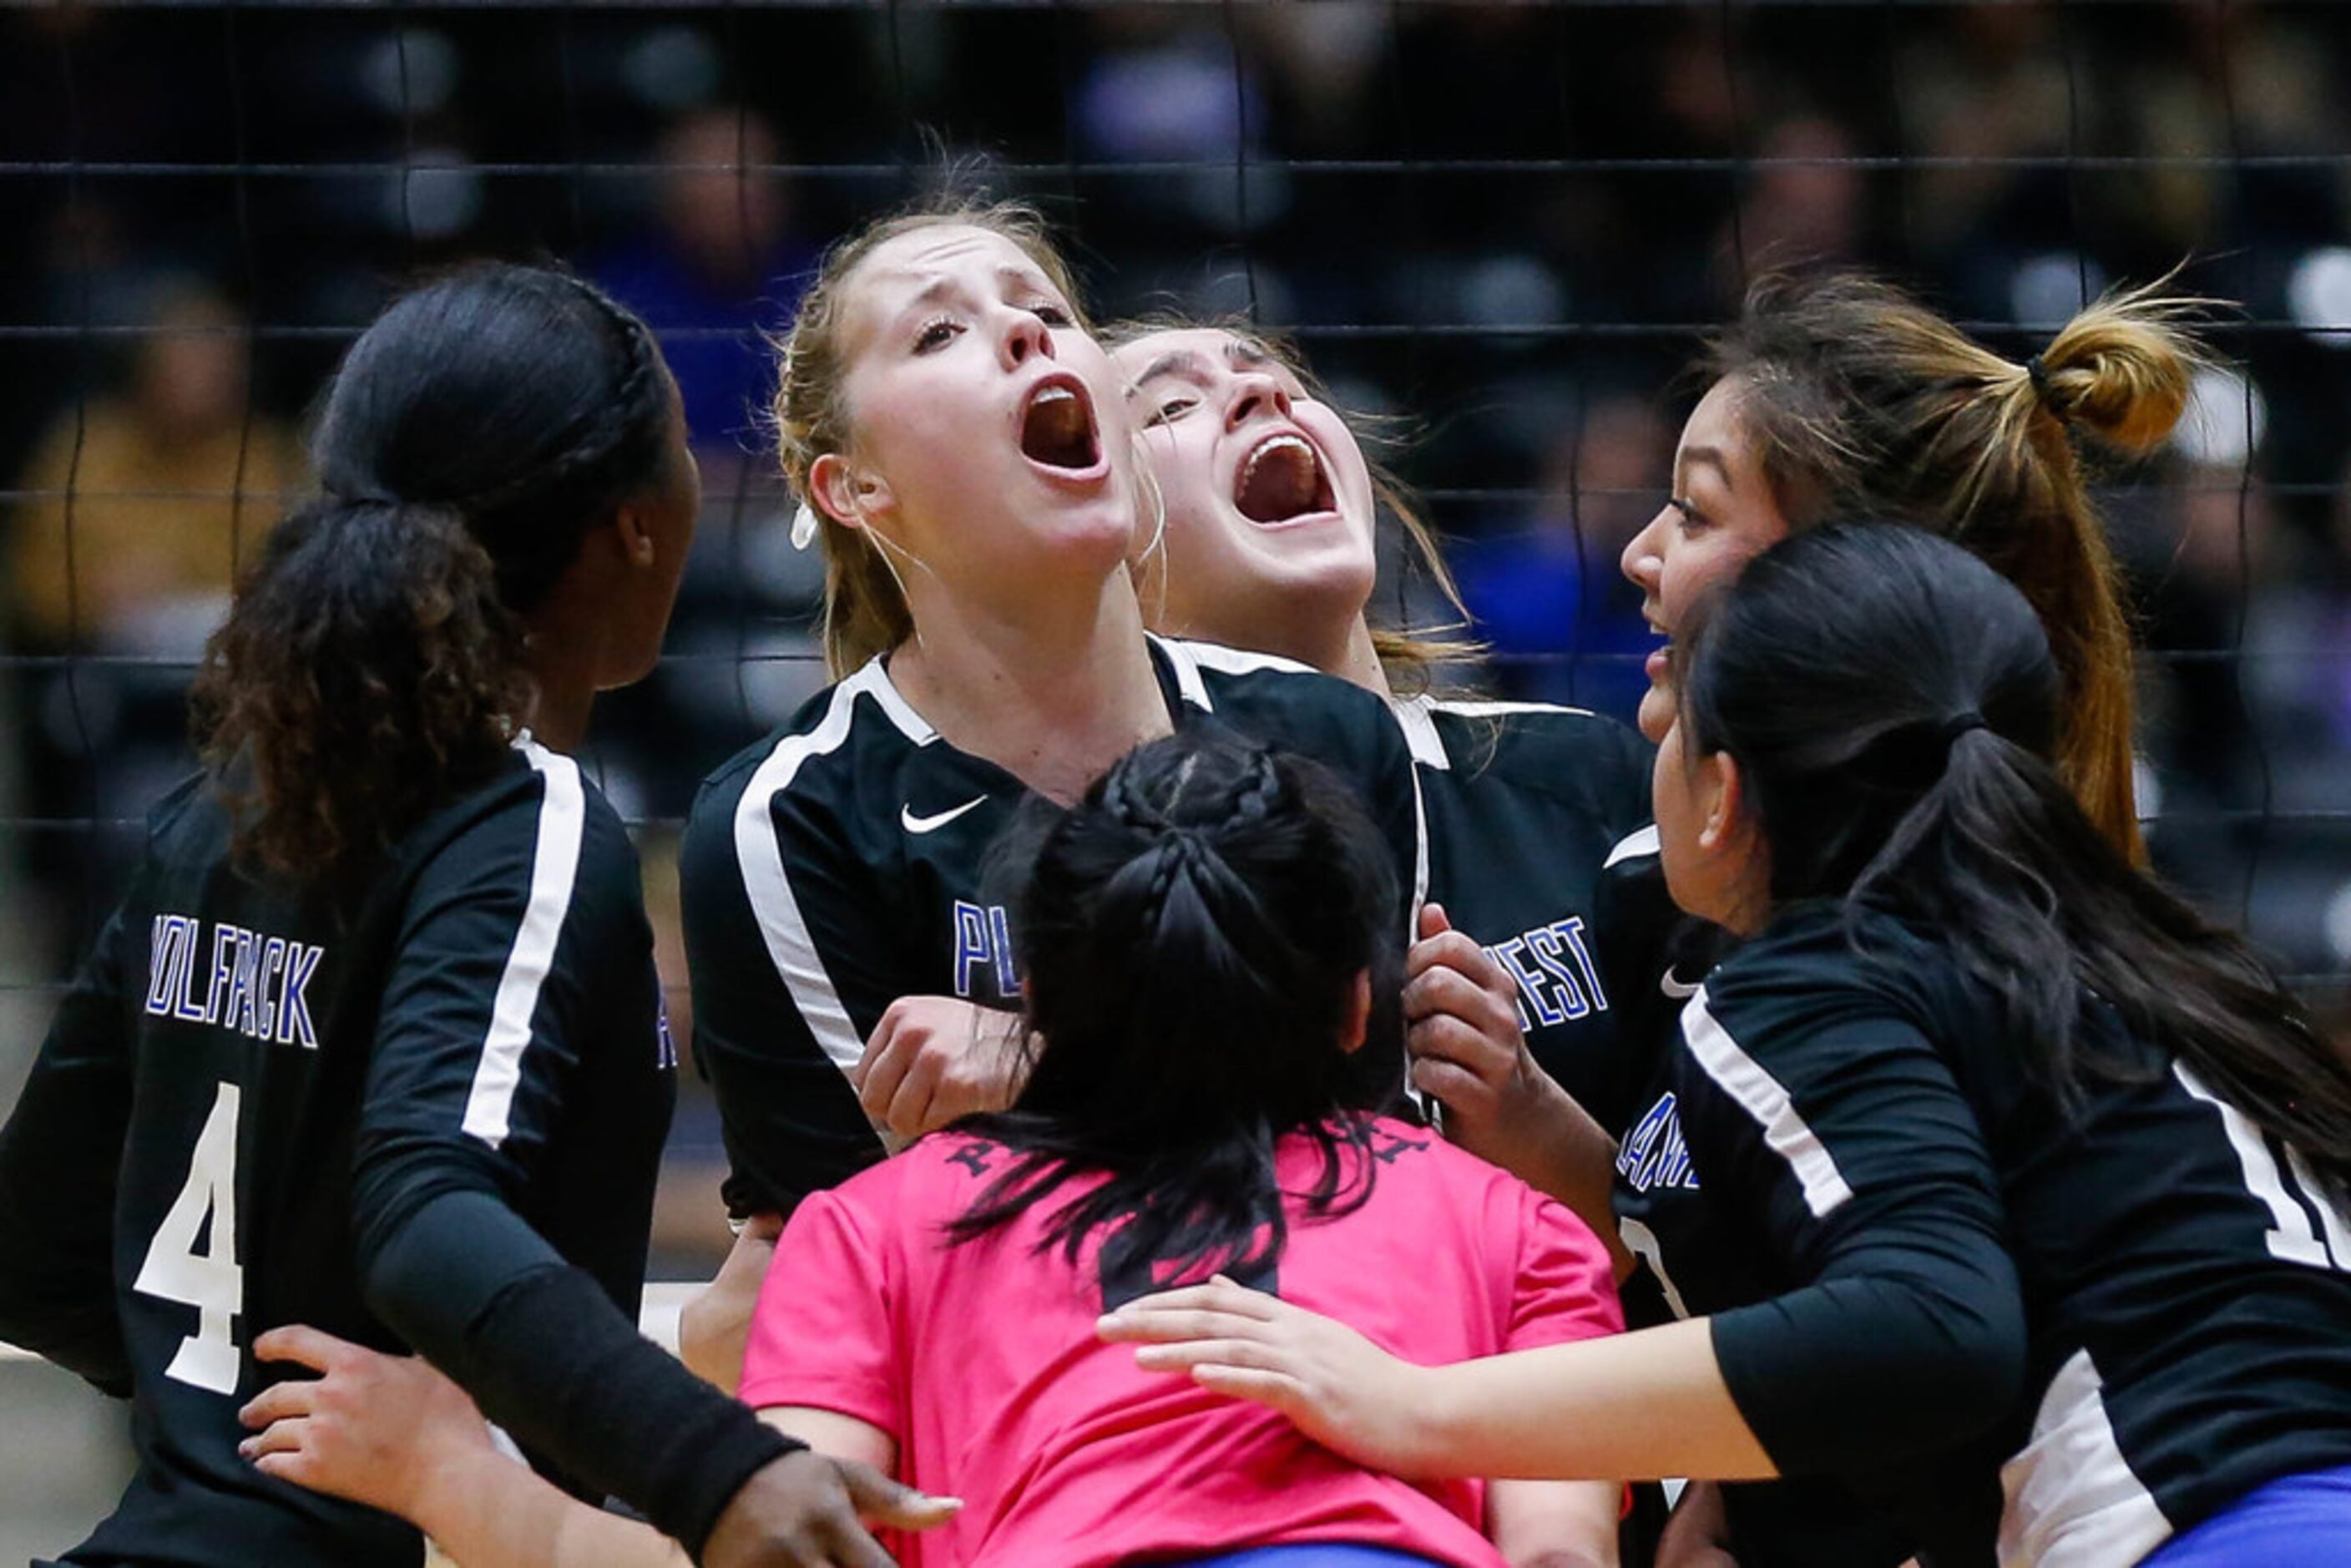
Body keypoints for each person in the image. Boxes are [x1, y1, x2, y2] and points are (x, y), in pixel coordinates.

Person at [1100, 526, 2351, 1568]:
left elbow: (1928, 1328)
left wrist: (1413, 1405)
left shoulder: (1812, 971)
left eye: (1668, 715)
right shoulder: (2150, 954)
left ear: (1726, 789)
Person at [0, 265, 927, 1568]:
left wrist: (220, 1422)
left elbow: (33, 1249)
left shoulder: (218, 814)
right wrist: (718, 1470)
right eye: (673, 445)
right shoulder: (527, 821)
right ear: (634, 525)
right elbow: (424, 1210)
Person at [240, 732, 1627, 1568]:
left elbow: (789, 1540)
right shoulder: (1524, 1227)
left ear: (1034, 1002)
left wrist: (455, 1479)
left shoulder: (874, 1224)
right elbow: (1561, 1552)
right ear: (1353, 1009)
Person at [679, 206, 1425, 1227]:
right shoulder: (788, 824)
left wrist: (1036, 1065)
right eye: (938, 333)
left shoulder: (1333, 737)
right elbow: (862, 1272)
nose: (1024, 332)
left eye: (1043, 309)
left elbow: (1370, 1178)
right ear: (853, 488)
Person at [1107, 321, 1656, 1175]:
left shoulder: (1582, 772)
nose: (1263, 394)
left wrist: (1530, 1116)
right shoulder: (1099, 873)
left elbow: (1731, 1222)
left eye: (1276, 377)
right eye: (1172, 406)